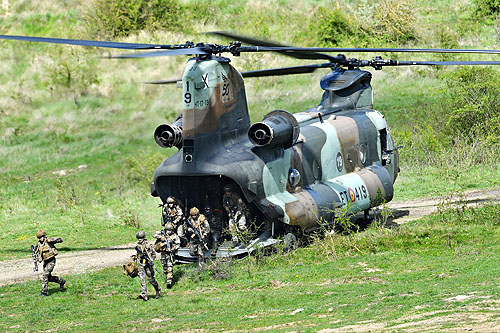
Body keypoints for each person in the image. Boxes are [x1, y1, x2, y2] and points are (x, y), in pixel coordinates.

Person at [33, 230, 66, 296]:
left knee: (45, 275)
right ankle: (61, 281)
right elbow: (35, 252)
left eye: (41, 237)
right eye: (39, 238)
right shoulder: (39, 244)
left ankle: (44, 292)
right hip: (45, 261)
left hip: (51, 261)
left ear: (44, 236)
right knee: (49, 278)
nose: (40, 239)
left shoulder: (48, 241)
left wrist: (58, 240)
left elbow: (58, 239)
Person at [133, 230, 161, 301]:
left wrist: (151, 260)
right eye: (139, 238)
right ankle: (144, 294)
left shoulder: (148, 244)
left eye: (141, 238)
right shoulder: (138, 245)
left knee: (151, 279)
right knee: (142, 279)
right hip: (141, 264)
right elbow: (138, 254)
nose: (140, 240)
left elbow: (153, 254)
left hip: (148, 264)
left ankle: (157, 289)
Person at [154, 223, 180, 289]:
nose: (169, 231)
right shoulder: (162, 234)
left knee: (170, 267)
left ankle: (169, 281)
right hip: (163, 254)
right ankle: (167, 275)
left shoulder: (174, 236)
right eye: (168, 230)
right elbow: (155, 236)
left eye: (170, 230)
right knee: (165, 268)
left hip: (170, 254)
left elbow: (178, 244)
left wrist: (172, 248)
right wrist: (161, 239)